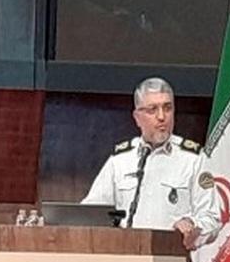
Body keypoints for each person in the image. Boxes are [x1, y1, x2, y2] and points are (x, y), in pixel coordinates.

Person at [81, 77, 220, 250]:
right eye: (152, 110)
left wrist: (192, 224)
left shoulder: (193, 158)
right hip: (124, 258)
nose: (161, 117)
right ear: (137, 118)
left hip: (171, 259)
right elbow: (91, 213)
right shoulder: (120, 160)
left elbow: (212, 218)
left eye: (167, 108)